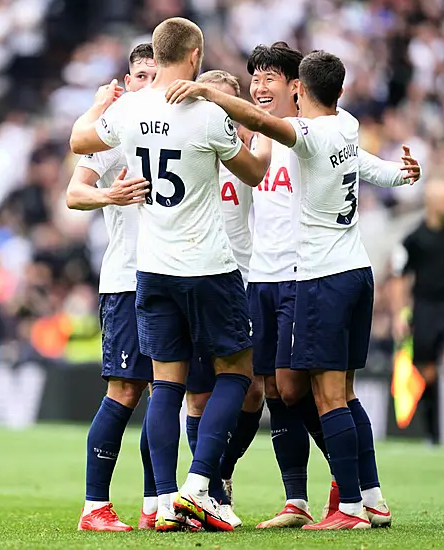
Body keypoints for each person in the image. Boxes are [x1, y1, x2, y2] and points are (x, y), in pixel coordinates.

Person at [166, 49, 419, 529]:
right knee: (283, 390)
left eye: (270, 79)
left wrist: (206, 92)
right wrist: (400, 172)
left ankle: (354, 494)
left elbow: (309, 144)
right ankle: (313, 497)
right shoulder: (316, 127)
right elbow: (362, 163)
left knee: (315, 391)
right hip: (267, 277)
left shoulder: (299, 133)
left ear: (297, 86)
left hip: (308, 278)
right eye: (254, 79)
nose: (260, 87)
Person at [70, 17, 272, 532]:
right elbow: (255, 171)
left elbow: (77, 141)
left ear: (154, 59)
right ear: (195, 54)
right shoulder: (206, 114)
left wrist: (99, 103)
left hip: (152, 271)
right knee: (236, 371)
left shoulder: (128, 110)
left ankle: (161, 504)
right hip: (207, 266)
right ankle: (200, 485)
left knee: (165, 386)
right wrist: (220, 106)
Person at [66, 43, 160, 532]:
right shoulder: (116, 131)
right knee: (125, 390)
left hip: (173, 276)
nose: (146, 82)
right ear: (127, 81)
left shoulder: (179, 125)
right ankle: (94, 506)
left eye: (153, 73)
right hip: (126, 280)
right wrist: (110, 193)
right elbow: (73, 192)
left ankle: (154, 503)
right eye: (138, 74)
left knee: (165, 392)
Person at [183, 69, 257, 530]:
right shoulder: (193, 144)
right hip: (198, 276)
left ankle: (218, 472)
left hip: (247, 281)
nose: (221, 114)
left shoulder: (251, 151)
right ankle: (207, 485)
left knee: (253, 394)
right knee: (198, 395)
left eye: (229, 106)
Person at [391, 179, 444, 447]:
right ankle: (433, 434)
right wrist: (400, 314)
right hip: (425, 308)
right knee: (427, 372)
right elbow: (401, 278)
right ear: (432, 202)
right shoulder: (414, 239)